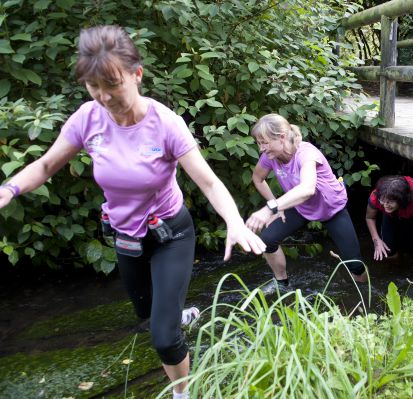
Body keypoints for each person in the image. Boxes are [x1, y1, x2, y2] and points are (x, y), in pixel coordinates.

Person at [0, 25, 265, 399]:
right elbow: (44, 167)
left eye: (112, 85)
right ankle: (180, 314)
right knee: (145, 312)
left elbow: (208, 182)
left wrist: (234, 221)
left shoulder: (165, 124)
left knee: (163, 337)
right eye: (94, 87)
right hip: (125, 236)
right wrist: (8, 189)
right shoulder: (87, 118)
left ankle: (181, 393)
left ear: (136, 74)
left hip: (171, 233)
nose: (104, 97)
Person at [245, 113, 367, 289]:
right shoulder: (269, 157)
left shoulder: (306, 153)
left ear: (281, 137)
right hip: (300, 207)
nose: (261, 149)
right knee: (267, 240)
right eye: (259, 143)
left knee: (354, 264)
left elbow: (307, 189)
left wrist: (270, 208)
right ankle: (282, 283)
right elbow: (258, 179)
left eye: (265, 142)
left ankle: (364, 292)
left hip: (330, 208)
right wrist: (277, 206)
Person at [365, 175, 413, 291]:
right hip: (392, 214)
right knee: (388, 249)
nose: (385, 205)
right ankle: (397, 266)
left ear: (401, 200)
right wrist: (377, 240)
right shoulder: (377, 196)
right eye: (383, 201)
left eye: (389, 202)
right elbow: (370, 217)